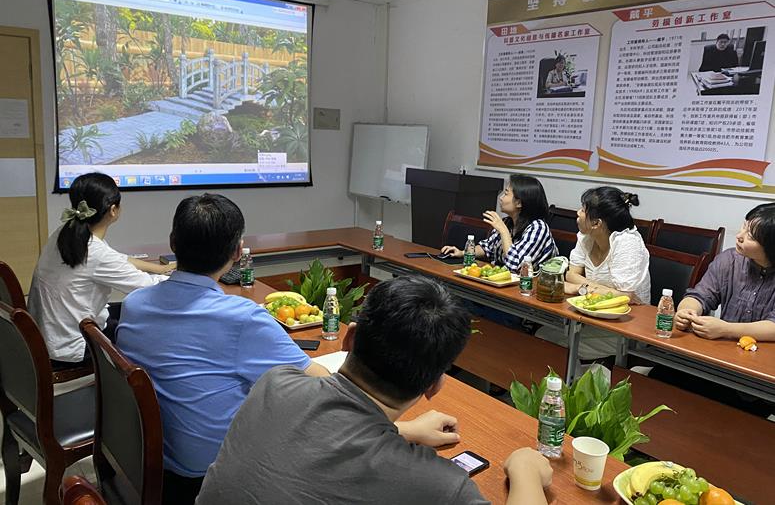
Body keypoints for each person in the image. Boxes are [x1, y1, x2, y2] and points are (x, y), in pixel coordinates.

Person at [196, 275, 553, 505]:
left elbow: (321, 437)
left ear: (349, 338)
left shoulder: (275, 383)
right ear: (435, 385)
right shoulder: (438, 486)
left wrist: (402, 431)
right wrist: (524, 468)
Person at [116, 193, 329, 505]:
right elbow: (321, 385)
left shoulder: (133, 304)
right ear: (237, 252)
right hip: (208, 477)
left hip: (146, 456)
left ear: (173, 243)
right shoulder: (243, 319)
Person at [27, 172, 168, 368]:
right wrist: (180, 276)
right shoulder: (96, 253)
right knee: (146, 319)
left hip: (46, 338)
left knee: (125, 311)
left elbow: (116, 258)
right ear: (113, 210)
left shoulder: (66, 232)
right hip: (73, 348)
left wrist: (160, 268)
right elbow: (147, 287)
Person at [537, 187, 650, 360]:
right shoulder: (586, 236)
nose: (578, 212)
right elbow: (570, 275)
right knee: (542, 334)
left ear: (596, 223)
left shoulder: (627, 243)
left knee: (552, 343)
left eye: (583, 210)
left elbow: (625, 297)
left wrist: (581, 287)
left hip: (625, 328)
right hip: (592, 317)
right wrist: (590, 289)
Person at [675, 203, 775, 342]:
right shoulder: (728, 260)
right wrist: (686, 311)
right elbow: (701, 295)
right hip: (723, 348)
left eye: (751, 236)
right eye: (744, 227)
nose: (739, 236)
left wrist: (726, 329)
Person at [441, 174, 558, 272]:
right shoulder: (508, 222)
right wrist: (462, 253)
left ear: (519, 203)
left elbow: (516, 266)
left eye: (506, 193)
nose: (501, 198)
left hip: (530, 288)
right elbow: (487, 248)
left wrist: (503, 231)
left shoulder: (538, 228)